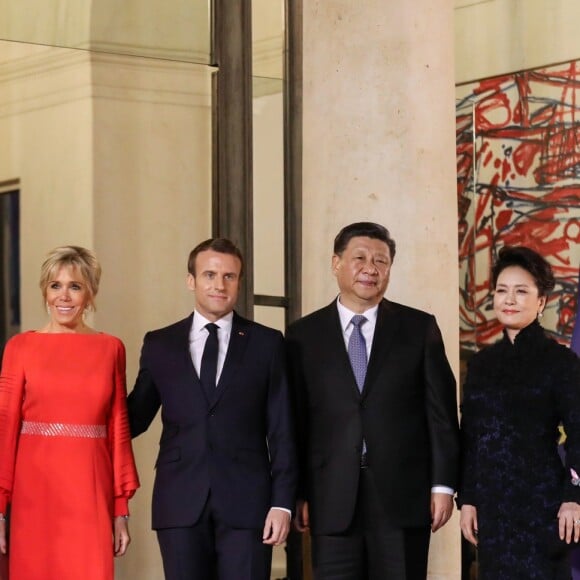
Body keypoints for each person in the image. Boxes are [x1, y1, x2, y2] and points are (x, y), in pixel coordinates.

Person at [286, 222, 460, 580]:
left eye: (381, 261)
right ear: (336, 263)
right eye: (360, 258)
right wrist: (298, 491)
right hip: (330, 495)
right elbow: (297, 422)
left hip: (402, 495)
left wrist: (442, 485)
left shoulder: (418, 328)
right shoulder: (304, 335)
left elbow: (441, 414)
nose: (371, 269)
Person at [127, 237, 297, 580]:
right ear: (191, 280)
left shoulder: (267, 343)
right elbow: (133, 418)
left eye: (229, 277)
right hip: (179, 501)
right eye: (209, 275)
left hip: (249, 505)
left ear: (239, 282)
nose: (219, 285)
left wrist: (282, 503)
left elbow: (282, 429)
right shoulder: (160, 344)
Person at [0, 245, 140, 580]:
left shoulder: (111, 349)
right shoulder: (20, 348)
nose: (64, 296)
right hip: (33, 494)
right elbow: (5, 430)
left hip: (89, 494)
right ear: (45, 292)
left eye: (75, 286)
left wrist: (120, 509)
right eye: (55, 285)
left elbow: (118, 429)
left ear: (90, 293)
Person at [458, 245, 580, 579]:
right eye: (502, 291)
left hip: (544, 509)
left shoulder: (560, 363)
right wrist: (468, 499)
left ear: (541, 301)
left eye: (521, 291)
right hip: (492, 514)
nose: (509, 299)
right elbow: (470, 437)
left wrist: (574, 497)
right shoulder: (481, 365)